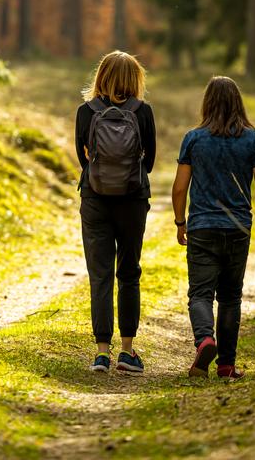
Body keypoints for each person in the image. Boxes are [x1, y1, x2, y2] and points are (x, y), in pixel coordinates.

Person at [172, 76, 255, 379]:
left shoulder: (193, 138)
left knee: (201, 294)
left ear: (207, 102)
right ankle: (226, 365)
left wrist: (181, 222)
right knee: (231, 297)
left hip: (202, 227)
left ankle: (205, 339)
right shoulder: (253, 139)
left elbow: (180, 188)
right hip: (237, 229)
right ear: (238, 103)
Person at [75, 50, 156, 373]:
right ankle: (127, 352)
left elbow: (82, 158)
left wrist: (100, 177)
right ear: (136, 79)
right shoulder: (143, 111)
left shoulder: (86, 111)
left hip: (95, 199)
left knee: (100, 275)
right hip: (133, 199)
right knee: (129, 272)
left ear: (101, 76)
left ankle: (100, 353)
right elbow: (148, 161)